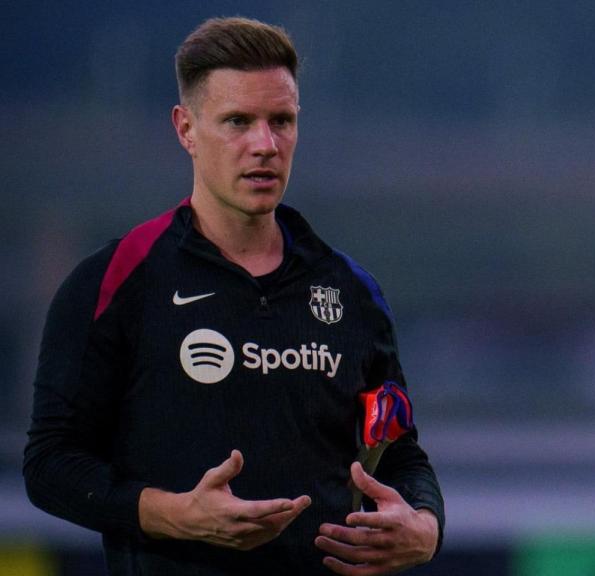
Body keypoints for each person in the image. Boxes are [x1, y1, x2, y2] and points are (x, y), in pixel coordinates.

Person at [23, 17, 443, 575]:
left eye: (281, 121)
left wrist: (426, 525)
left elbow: (398, 451)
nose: (264, 145)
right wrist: (172, 514)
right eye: (238, 121)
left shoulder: (351, 291)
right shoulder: (116, 280)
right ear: (186, 129)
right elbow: (51, 464)